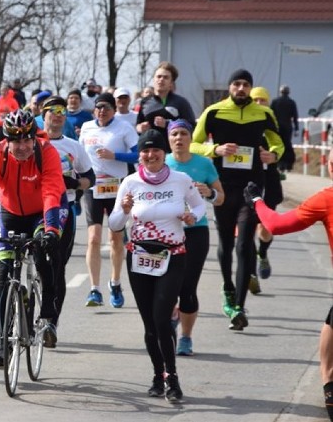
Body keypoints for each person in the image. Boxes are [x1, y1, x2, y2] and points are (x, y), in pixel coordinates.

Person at [108, 129, 206, 403]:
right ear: (140, 154)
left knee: (162, 319)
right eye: (146, 151)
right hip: (139, 257)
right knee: (150, 325)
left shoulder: (181, 180)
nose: (151, 155)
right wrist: (124, 211)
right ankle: (156, 375)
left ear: (164, 154)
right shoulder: (129, 183)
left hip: (172, 256)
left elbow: (200, 208)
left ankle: (172, 379)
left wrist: (190, 216)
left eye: (156, 151)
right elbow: (115, 225)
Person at [190, 69, 284, 330]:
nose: (241, 88)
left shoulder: (264, 113)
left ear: (250, 88)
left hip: (252, 186)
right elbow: (194, 144)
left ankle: (240, 305)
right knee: (225, 243)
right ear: (229, 87)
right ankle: (228, 287)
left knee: (244, 243)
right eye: (236, 84)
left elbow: (278, 142)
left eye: (245, 85)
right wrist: (214, 149)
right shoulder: (214, 111)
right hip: (222, 185)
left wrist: (273, 155)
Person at [245, 155, 333, 421]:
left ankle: (329, 382)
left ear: (329, 166)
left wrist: (257, 202)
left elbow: (276, 225)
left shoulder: (327, 197)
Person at [0, 109, 66, 366]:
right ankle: (3, 342)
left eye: (26, 139)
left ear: (34, 137)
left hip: (43, 212)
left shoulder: (47, 152)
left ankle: (49, 314)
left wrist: (51, 229)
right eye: (15, 140)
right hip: (10, 214)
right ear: (6, 140)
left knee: (44, 255)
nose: (22, 146)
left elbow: (52, 190)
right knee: (4, 274)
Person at [165, 119, 224, 356]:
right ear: (169, 139)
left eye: (183, 134)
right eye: (175, 134)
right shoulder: (162, 162)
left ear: (191, 138)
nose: (179, 138)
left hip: (196, 232)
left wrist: (210, 192)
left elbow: (221, 198)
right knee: (167, 286)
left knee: (187, 288)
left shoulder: (204, 164)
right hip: (166, 231)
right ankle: (170, 316)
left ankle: (186, 338)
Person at [79, 92, 139, 307]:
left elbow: (138, 154)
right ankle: (94, 290)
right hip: (93, 187)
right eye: (98, 107)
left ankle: (115, 282)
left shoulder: (123, 128)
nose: (102, 111)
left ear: (114, 109)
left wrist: (115, 156)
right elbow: (79, 155)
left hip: (116, 187)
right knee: (94, 238)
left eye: (106, 107)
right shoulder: (87, 127)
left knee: (115, 239)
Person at [42, 97, 95, 336]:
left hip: (65, 211)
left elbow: (90, 178)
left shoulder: (73, 146)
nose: (57, 114)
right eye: (52, 110)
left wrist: (74, 183)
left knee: (57, 268)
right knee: (37, 264)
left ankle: (51, 321)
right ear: (43, 115)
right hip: (36, 210)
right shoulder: (31, 142)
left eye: (62, 110)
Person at [246, 86, 283, 294]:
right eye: (255, 100)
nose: (259, 104)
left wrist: (274, 155)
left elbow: (283, 148)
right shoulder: (245, 126)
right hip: (249, 181)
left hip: (269, 182)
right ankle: (250, 272)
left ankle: (262, 254)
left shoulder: (272, 125)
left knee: (265, 229)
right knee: (248, 228)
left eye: (263, 101)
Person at [136, 62, 195, 141]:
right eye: (158, 76)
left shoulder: (181, 102)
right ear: (154, 79)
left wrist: (168, 124)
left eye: (166, 77)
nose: (161, 79)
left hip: (173, 149)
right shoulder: (145, 102)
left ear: (171, 83)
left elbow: (191, 126)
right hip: (151, 149)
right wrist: (140, 128)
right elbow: (138, 124)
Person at [270, 84, 300, 176]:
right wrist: (296, 128)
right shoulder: (291, 102)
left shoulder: (275, 101)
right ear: (288, 92)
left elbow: (271, 114)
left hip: (277, 127)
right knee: (287, 144)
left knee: (278, 144)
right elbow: (295, 116)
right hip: (287, 126)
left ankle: (279, 164)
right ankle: (288, 165)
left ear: (280, 91)